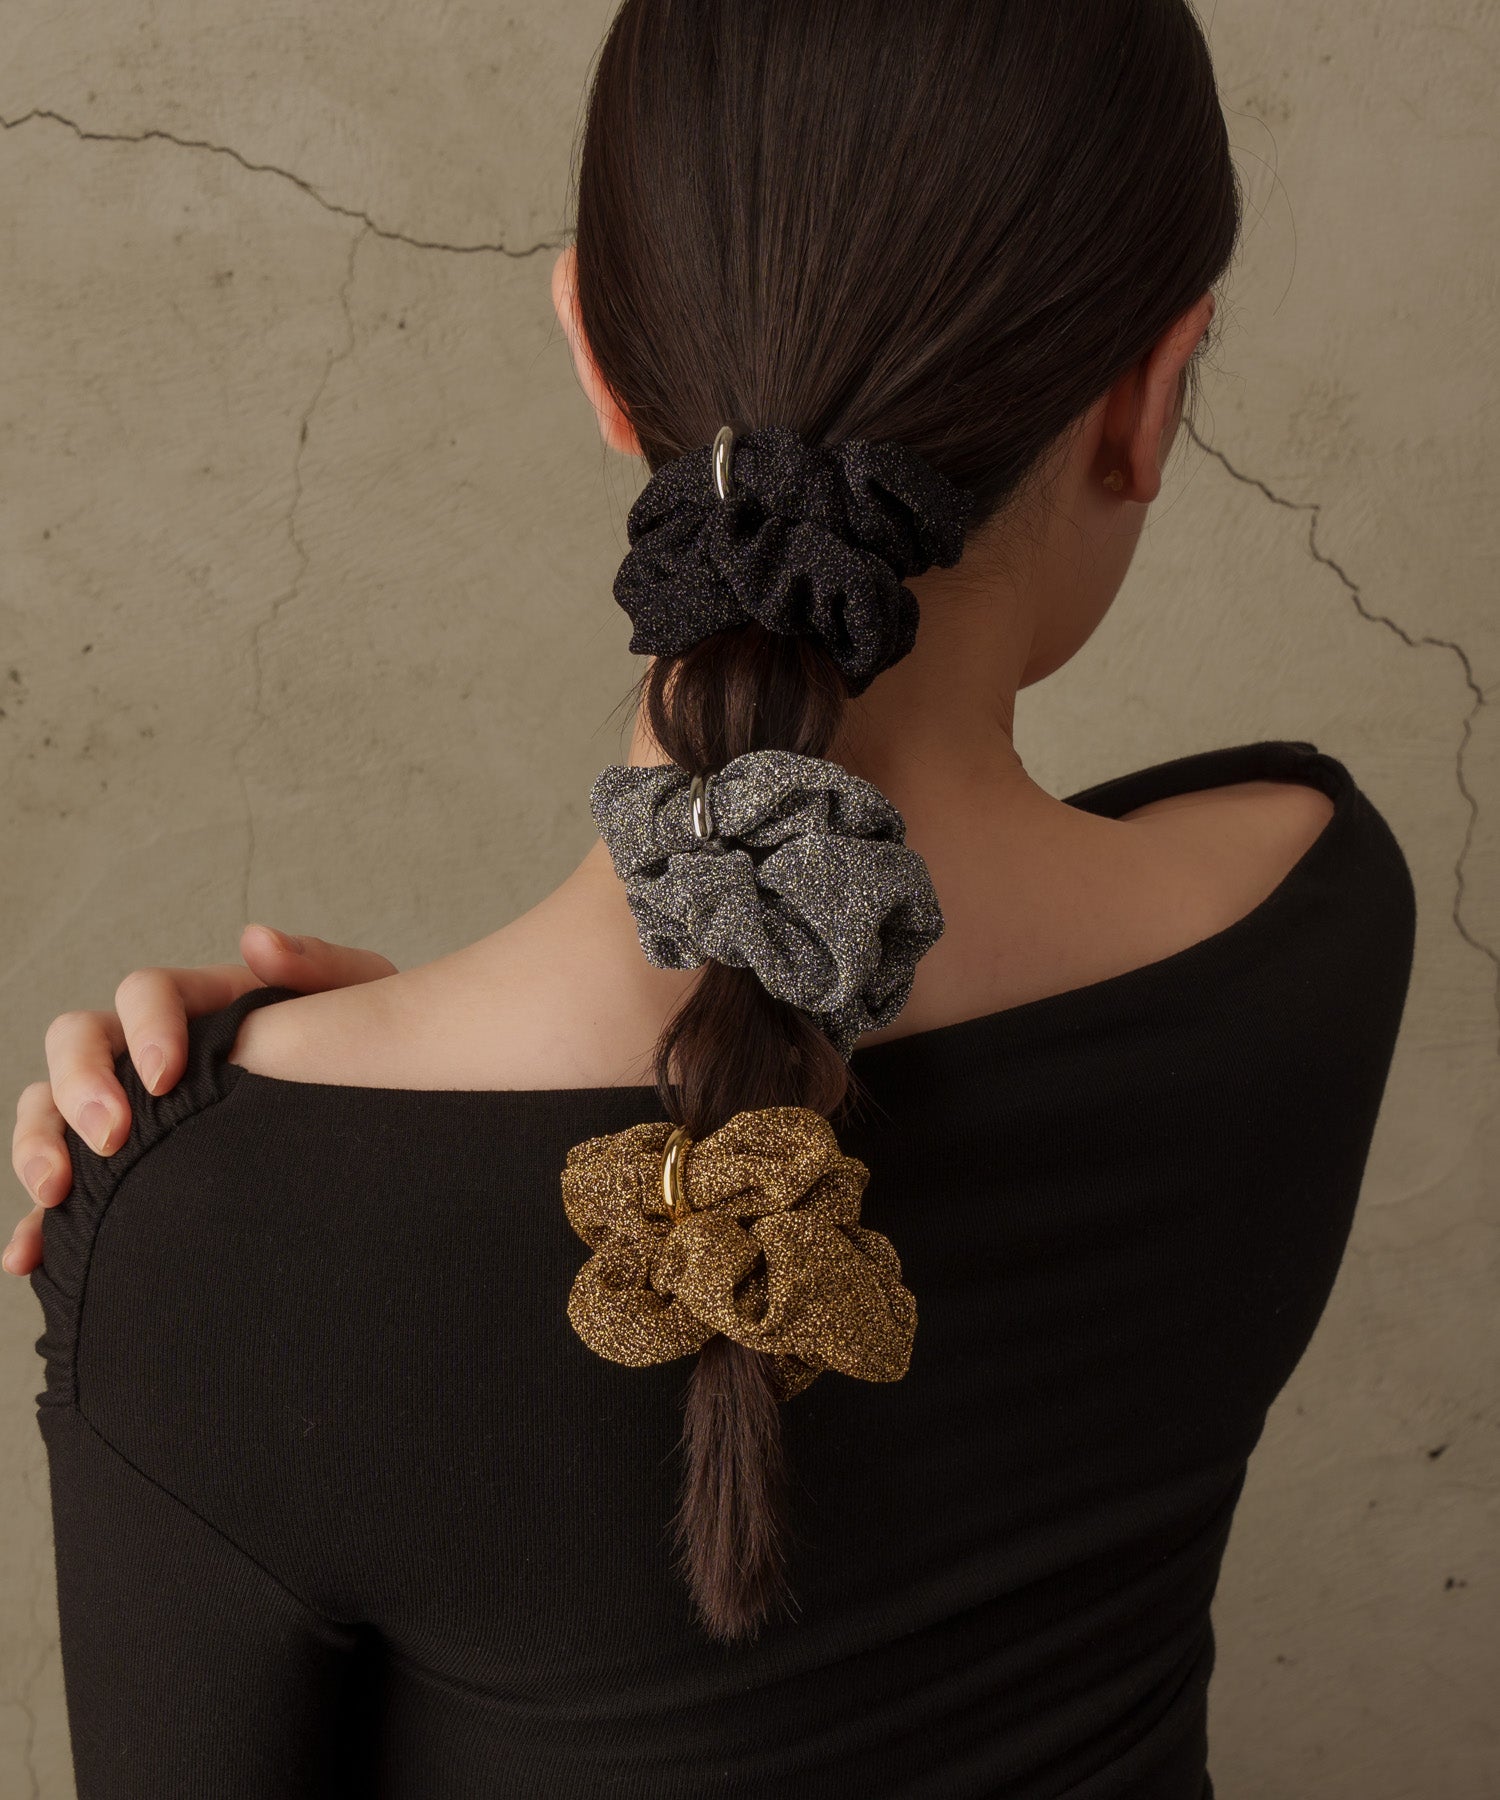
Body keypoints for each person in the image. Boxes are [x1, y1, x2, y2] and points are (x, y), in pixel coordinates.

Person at [7, 1, 1418, 1794]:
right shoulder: (1315, 916)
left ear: (596, 355)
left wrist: (281, 1128)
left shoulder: (217, 1241)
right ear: (1150, 395)